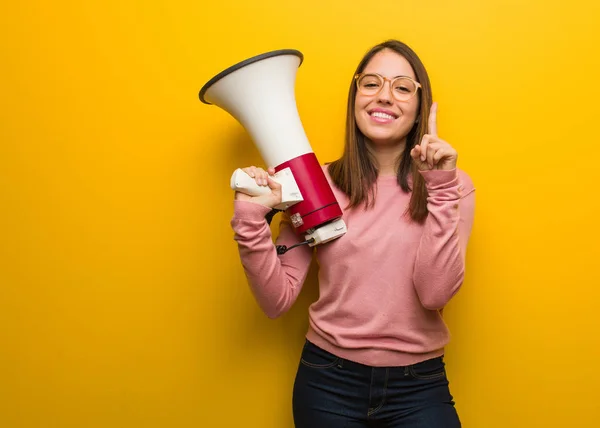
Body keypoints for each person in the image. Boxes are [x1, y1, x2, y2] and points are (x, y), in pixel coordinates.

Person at [230, 39, 475, 427]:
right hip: (328, 384)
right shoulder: (315, 186)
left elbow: (435, 293)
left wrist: (440, 187)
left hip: (419, 387)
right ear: (355, 97)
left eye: (402, 86)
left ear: (419, 107)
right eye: (372, 83)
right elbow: (276, 301)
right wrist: (249, 220)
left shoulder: (453, 184)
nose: (385, 96)